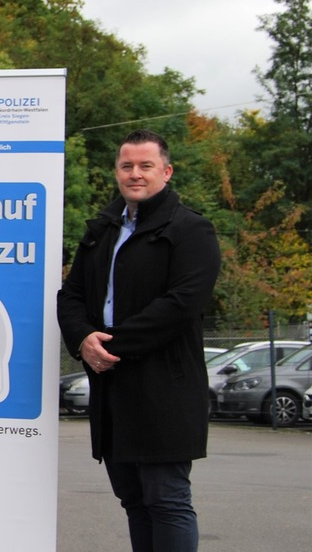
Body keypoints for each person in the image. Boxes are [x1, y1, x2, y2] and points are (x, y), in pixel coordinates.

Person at [57, 129, 220, 552]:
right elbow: (70, 296)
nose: (135, 174)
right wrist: (83, 339)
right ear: (116, 171)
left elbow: (182, 305)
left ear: (166, 172)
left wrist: (109, 345)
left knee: (167, 500)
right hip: (111, 387)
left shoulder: (192, 230)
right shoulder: (101, 231)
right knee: (133, 500)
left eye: (146, 166)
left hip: (166, 389)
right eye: (127, 165)